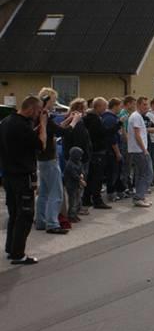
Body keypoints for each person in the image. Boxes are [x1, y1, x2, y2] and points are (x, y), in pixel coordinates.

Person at [0, 95, 47, 265]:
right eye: (38, 111)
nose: (38, 114)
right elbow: (41, 144)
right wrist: (44, 125)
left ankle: (11, 248)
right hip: (22, 175)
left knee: (14, 213)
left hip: (7, 174)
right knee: (25, 214)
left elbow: (23, 141)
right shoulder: (22, 126)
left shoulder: (6, 122)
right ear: (32, 109)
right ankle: (18, 253)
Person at [35, 87, 78, 234]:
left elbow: (55, 129)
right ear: (47, 100)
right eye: (53, 101)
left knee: (44, 192)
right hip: (49, 158)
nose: (55, 104)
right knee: (56, 192)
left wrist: (68, 119)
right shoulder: (44, 115)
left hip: (41, 159)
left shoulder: (39, 115)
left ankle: (41, 220)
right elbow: (63, 132)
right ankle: (52, 223)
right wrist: (75, 122)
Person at [62, 98, 92, 215]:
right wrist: (83, 157)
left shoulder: (74, 121)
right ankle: (76, 209)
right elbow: (80, 141)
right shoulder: (76, 123)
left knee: (76, 186)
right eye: (84, 108)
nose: (85, 111)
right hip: (78, 158)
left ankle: (77, 207)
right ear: (79, 109)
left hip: (74, 156)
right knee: (78, 185)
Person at [81, 97, 112, 210]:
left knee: (91, 177)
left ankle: (86, 198)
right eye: (104, 106)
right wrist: (117, 125)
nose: (105, 109)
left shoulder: (89, 118)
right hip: (97, 151)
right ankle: (96, 200)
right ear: (98, 107)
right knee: (96, 177)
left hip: (93, 151)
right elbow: (101, 133)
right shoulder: (94, 119)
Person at [127, 96, 154, 208]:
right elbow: (137, 135)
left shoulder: (137, 116)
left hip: (137, 150)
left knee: (140, 174)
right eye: (144, 104)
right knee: (147, 173)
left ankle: (140, 196)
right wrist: (144, 150)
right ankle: (139, 197)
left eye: (147, 104)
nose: (146, 107)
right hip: (139, 150)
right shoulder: (136, 117)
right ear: (138, 105)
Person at [101, 98, 123, 203]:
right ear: (115, 106)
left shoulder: (110, 117)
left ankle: (117, 190)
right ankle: (111, 193)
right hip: (111, 150)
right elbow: (112, 137)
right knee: (113, 172)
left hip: (109, 149)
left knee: (115, 171)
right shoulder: (110, 119)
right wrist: (117, 152)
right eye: (119, 106)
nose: (120, 108)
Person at [118, 95, 136, 196]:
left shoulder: (128, 113)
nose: (134, 106)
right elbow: (123, 129)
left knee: (128, 166)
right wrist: (128, 142)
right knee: (126, 166)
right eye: (133, 104)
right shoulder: (123, 113)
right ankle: (124, 187)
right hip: (125, 143)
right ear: (128, 104)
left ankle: (126, 186)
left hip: (127, 142)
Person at [64, 146, 86, 222]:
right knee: (72, 201)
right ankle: (71, 215)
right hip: (71, 186)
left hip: (76, 185)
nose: (80, 157)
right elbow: (74, 175)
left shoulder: (78, 162)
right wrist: (81, 180)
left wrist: (82, 174)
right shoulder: (70, 164)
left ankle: (75, 214)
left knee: (77, 200)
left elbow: (81, 169)